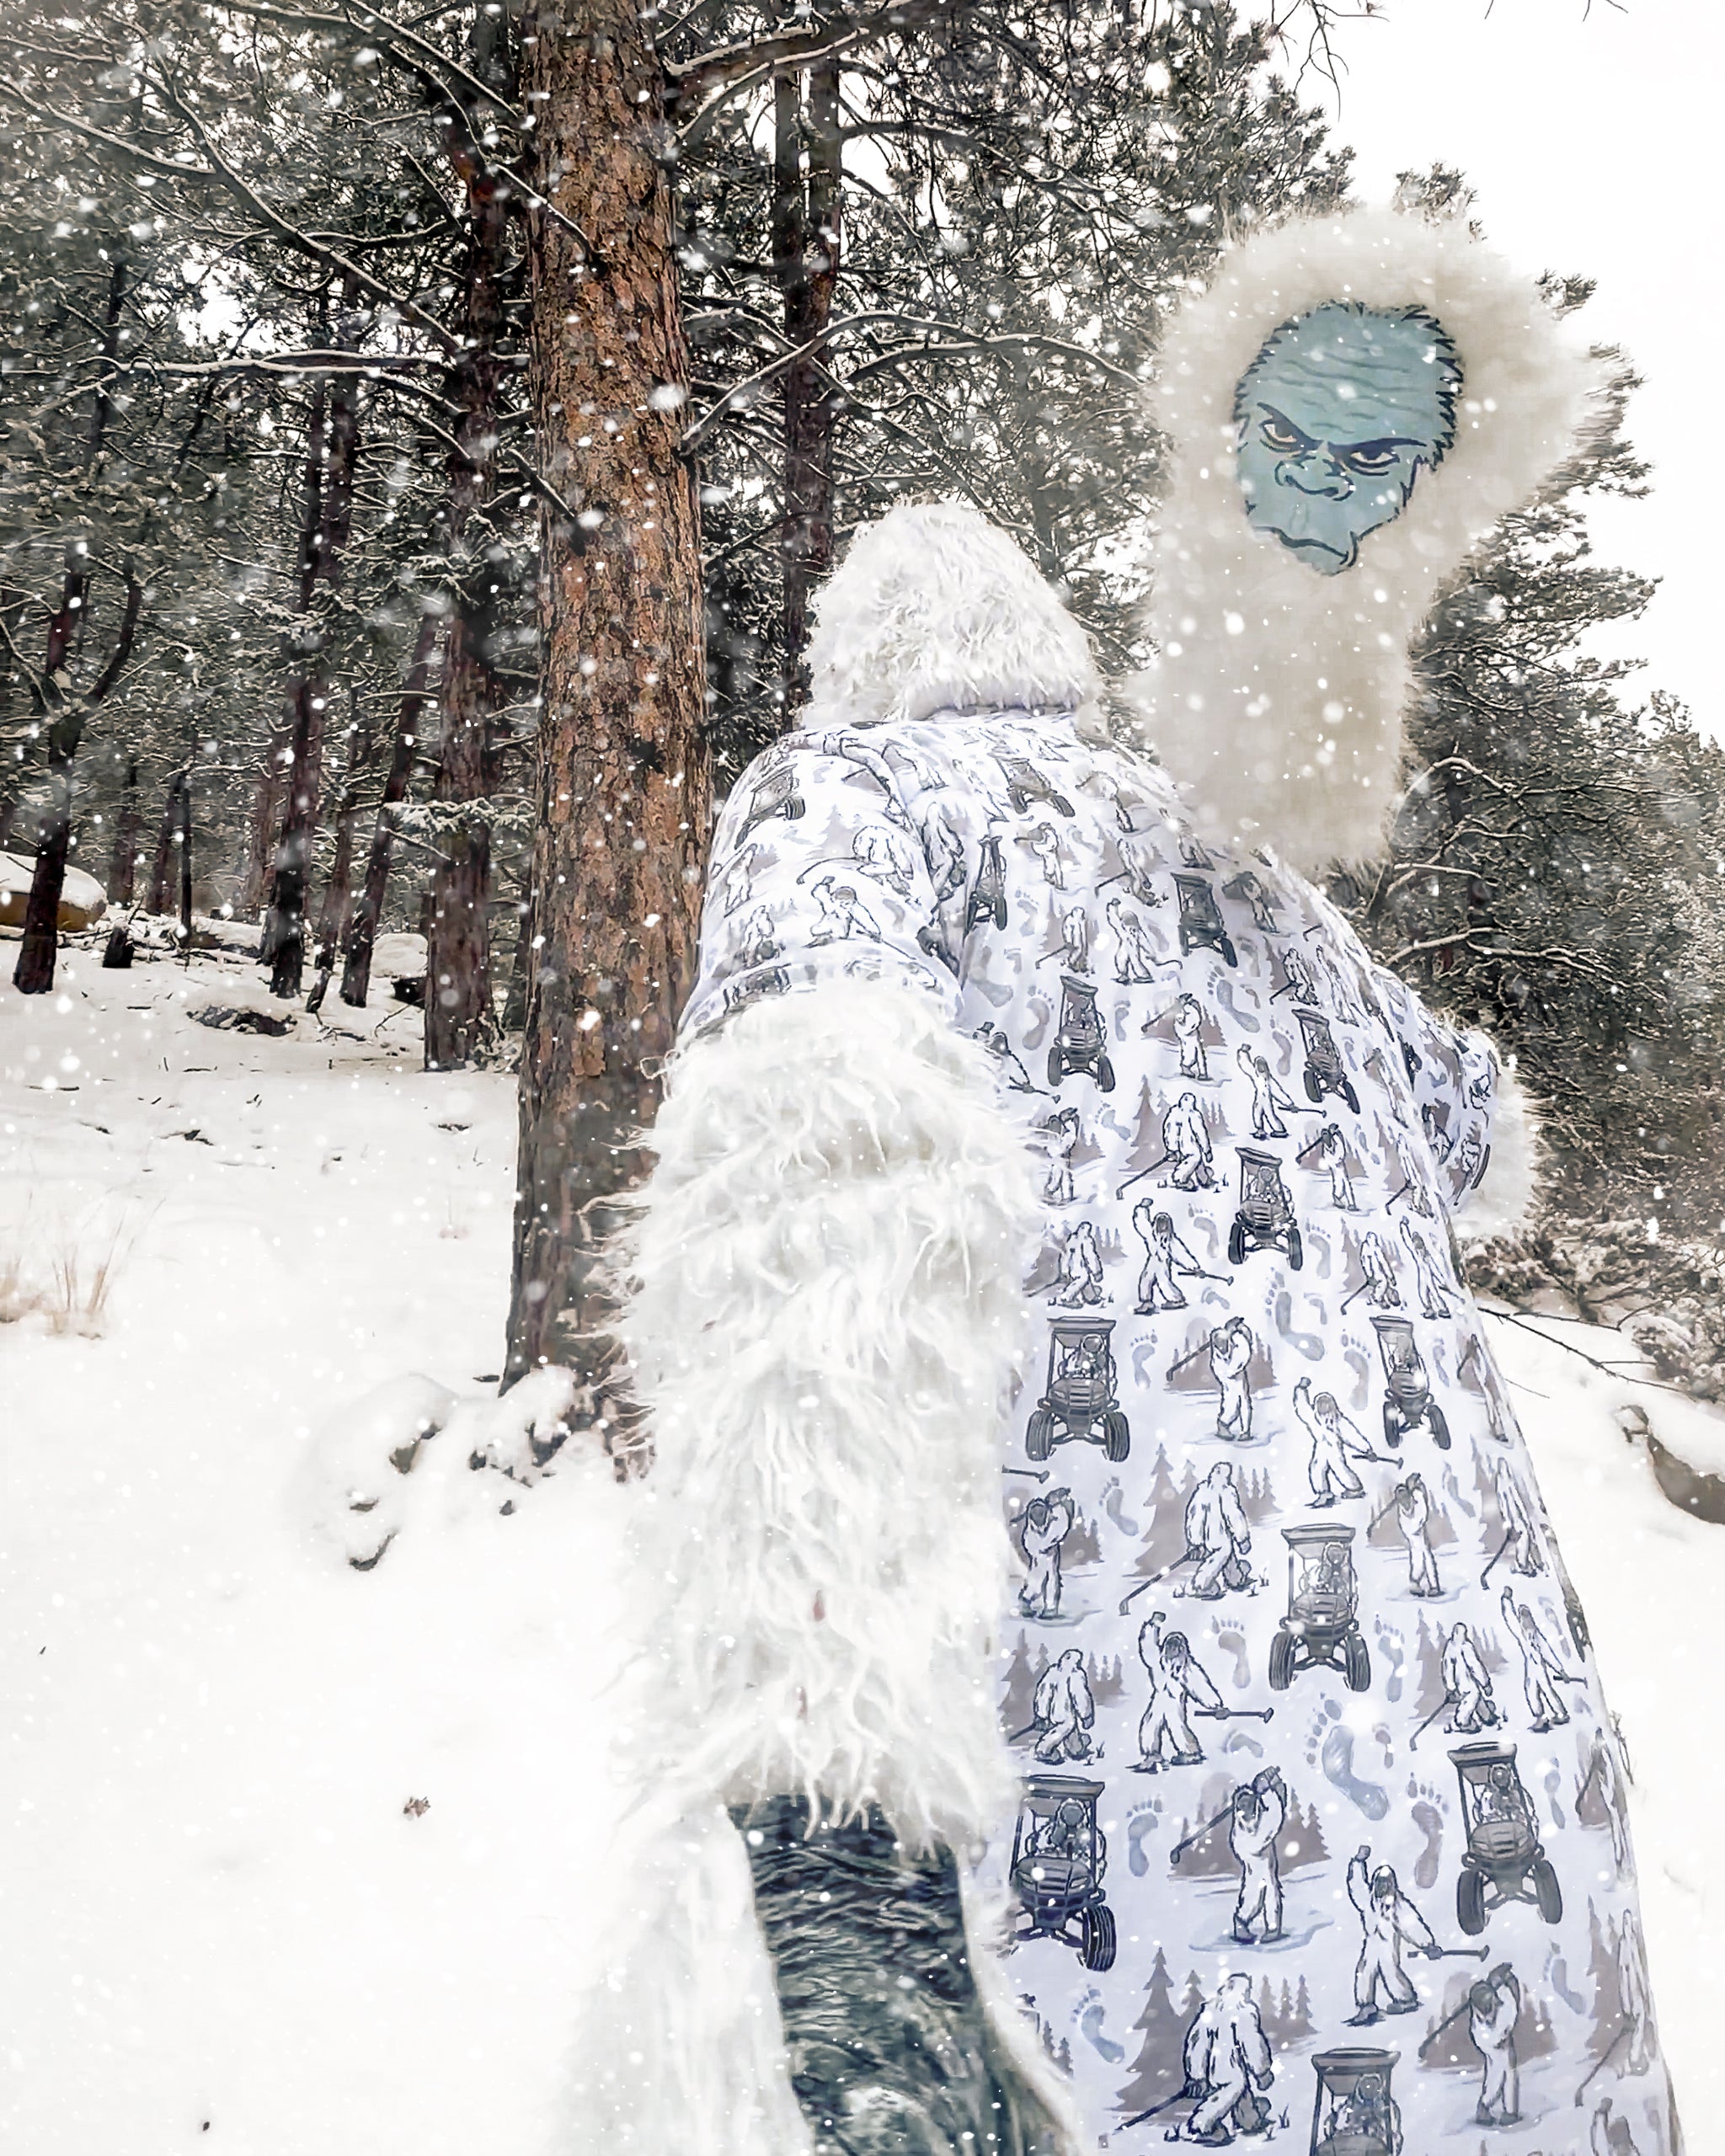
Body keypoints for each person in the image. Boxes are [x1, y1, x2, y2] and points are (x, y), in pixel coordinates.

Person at [599, 224, 1676, 2151]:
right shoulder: (1249, 881)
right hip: (1493, 1777)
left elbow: (814, 1205)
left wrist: (838, 1850)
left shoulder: (843, 797)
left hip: (1158, 1823)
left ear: (868, 670)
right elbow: (1474, 1138)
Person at [1178, 1973, 1273, 2146]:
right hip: (1229, 2067)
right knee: (1231, 2090)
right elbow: (1253, 2044)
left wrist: (1197, 2074)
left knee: (1240, 2091)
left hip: (1214, 2068)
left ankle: (1249, 2120)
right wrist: (1262, 2071)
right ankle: (1202, 2125)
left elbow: (1196, 2045)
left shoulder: (1210, 2012)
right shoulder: (1244, 2012)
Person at [1347, 1847, 1437, 2025]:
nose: (1382, 1887)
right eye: (1379, 1883)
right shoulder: (1368, 1901)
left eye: (1386, 1884)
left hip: (1388, 1943)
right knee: (1364, 1971)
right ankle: (1366, 2004)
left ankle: (1406, 1999)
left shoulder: (1397, 1904)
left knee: (1390, 1971)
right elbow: (1356, 1886)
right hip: (1372, 1942)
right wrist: (1358, 1862)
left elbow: (1411, 1924)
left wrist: (1427, 1944)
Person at [1137, 1614, 1224, 1770]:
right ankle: (1152, 1754)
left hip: (1174, 1701)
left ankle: (1190, 1751)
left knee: (1177, 1726)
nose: (1171, 1650)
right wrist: (1153, 1625)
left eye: (1175, 1647)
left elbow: (1200, 1686)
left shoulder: (1186, 1668)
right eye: (1169, 1646)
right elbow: (1147, 1647)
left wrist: (1214, 1704)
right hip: (1159, 1698)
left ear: (1181, 1649)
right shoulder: (1158, 1661)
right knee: (1150, 1724)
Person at [1292, 1374, 1374, 1505]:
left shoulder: (1338, 1421)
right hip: (1321, 1447)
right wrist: (1301, 1389)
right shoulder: (1313, 1419)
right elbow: (1302, 1407)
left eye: (1326, 1406)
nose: (1323, 1410)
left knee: (1340, 1468)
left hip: (1334, 1448)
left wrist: (1366, 1449)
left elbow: (1352, 1435)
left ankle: (1355, 1488)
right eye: (1321, 1406)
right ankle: (1324, 1492)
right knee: (1316, 1468)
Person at [1228, 1769, 1286, 1945]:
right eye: (1242, 1806)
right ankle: (1247, 1921)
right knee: (1259, 1890)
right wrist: (1270, 1791)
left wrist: (1270, 1788)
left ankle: (1265, 1925)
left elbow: (1274, 1816)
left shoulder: (1261, 1816)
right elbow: (1273, 1822)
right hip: (1255, 1858)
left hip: (1263, 1857)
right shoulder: (1242, 1832)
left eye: (1248, 1804)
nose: (1245, 1809)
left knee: (1265, 1889)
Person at [1185, 1460, 1252, 1600]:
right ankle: (1201, 1585)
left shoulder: (1202, 1492)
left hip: (1208, 1537)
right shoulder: (1226, 1492)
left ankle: (1236, 1579)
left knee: (1228, 1557)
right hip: (1220, 1537)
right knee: (1218, 1558)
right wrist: (1242, 1538)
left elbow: (1194, 1517)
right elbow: (1234, 1516)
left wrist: (1195, 1540)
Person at [1469, 1964, 1522, 2127]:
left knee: (1499, 2070)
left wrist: (1502, 1979)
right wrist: (1508, 1981)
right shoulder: (1499, 2011)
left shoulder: (1498, 2000)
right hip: (1495, 2041)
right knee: (1503, 2072)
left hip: (1492, 2040)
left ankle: (1492, 2108)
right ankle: (1500, 2109)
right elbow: (1501, 2030)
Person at [1135, 1203, 1205, 1314]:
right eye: (1160, 1224)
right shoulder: (1151, 1235)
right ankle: (1146, 1301)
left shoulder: (1171, 1241)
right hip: (1153, 1260)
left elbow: (1181, 1254)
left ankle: (1176, 1299)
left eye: (1165, 1224)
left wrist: (1194, 1268)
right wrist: (1142, 1208)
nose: (1162, 1227)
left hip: (1163, 1262)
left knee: (1164, 1281)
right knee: (1145, 1279)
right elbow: (1141, 1223)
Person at [1017, 1487, 1075, 1620]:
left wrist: (1049, 1545)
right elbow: (1030, 1543)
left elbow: (1062, 1529)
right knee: (1038, 1577)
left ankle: (1049, 1607)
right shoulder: (1030, 1531)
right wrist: (1039, 1551)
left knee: (1051, 1577)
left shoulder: (1058, 1516)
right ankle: (1027, 1600)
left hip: (1050, 1550)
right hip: (1038, 1551)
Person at [1032, 1646, 1096, 1764]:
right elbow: (1081, 1697)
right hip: (1065, 1712)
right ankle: (1044, 1749)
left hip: (1053, 1711)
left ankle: (1076, 1749)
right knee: (1064, 1728)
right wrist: (1086, 1715)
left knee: (1071, 1730)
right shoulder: (1075, 1675)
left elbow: (1043, 1693)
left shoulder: (1052, 1672)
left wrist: (1042, 1712)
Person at [1443, 1620, 1498, 1735]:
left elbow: (1448, 1669)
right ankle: (1462, 1722)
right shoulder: (1466, 1647)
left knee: (1477, 1699)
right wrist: (1485, 1683)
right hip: (1468, 1682)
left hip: (1459, 1683)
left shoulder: (1450, 1647)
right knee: (1471, 1699)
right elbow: (1475, 1666)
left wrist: (1451, 1686)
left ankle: (1487, 1717)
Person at [1209, 1317, 1255, 1441]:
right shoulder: (1217, 1361)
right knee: (1231, 1402)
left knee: (1244, 1401)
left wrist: (1241, 1328)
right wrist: (1230, 1374)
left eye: (1223, 1344)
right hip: (1228, 1378)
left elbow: (1246, 1350)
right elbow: (1223, 1373)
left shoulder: (1240, 1344)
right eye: (1219, 1345)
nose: (1221, 1347)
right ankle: (1223, 1424)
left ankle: (1245, 1431)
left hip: (1239, 1374)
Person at [1397, 1473, 1442, 1598]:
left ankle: (1432, 1585)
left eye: (1405, 1496)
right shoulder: (1402, 1511)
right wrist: (1414, 1530)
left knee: (1425, 1556)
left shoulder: (1417, 1497)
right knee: (1418, 1557)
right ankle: (1417, 1582)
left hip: (1419, 1532)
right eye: (1401, 1498)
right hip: (1413, 1534)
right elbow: (1406, 1526)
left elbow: (1423, 1514)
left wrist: (1416, 1487)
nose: (1404, 1501)